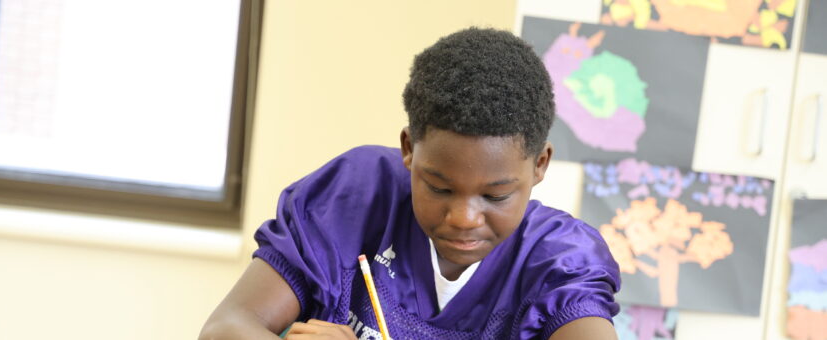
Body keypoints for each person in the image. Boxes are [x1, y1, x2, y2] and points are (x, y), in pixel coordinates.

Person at [199, 27, 620, 340]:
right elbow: (226, 327)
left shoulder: (560, 262)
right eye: (439, 187)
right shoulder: (355, 195)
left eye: (495, 195)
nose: (463, 218)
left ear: (540, 164)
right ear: (409, 149)